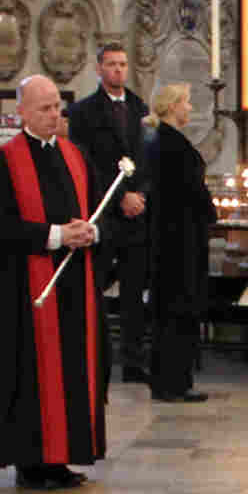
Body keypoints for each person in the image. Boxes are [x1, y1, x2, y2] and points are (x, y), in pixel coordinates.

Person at [0, 74, 106, 491]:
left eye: (57, 107)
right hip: (25, 292)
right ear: (22, 113)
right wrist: (56, 236)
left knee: (71, 372)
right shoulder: (2, 163)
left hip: (74, 288)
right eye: (44, 108)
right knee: (32, 377)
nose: (54, 115)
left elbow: (101, 211)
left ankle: (61, 458)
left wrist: (92, 232)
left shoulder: (76, 156)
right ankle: (30, 463)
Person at [68, 43, 151, 383]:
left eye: (123, 64)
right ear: (99, 68)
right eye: (112, 64)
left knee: (134, 292)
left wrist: (141, 194)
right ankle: (93, 355)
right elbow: (87, 164)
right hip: (104, 213)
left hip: (136, 216)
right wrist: (120, 198)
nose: (118, 70)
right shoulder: (83, 112)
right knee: (95, 286)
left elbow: (147, 157)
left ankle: (133, 361)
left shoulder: (140, 108)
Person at [143, 82, 212, 404]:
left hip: (175, 236)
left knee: (173, 309)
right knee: (176, 309)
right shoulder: (169, 144)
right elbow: (189, 188)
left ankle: (173, 380)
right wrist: (210, 210)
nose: (190, 108)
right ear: (172, 106)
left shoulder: (165, 140)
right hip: (177, 240)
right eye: (186, 102)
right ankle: (172, 382)